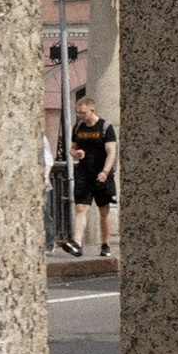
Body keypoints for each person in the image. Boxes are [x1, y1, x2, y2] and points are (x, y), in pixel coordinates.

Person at [70, 94, 117, 258]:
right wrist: (76, 153)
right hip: (84, 173)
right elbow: (72, 148)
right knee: (80, 208)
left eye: (83, 113)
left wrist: (105, 172)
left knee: (103, 209)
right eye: (78, 113)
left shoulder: (105, 127)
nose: (80, 116)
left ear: (92, 110)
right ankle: (77, 243)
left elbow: (111, 152)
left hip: (101, 174)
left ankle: (105, 244)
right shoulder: (78, 128)